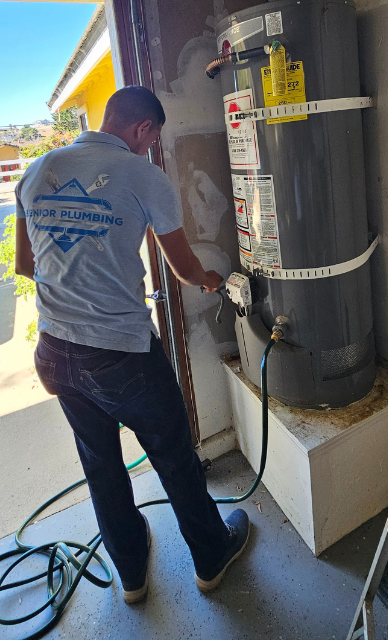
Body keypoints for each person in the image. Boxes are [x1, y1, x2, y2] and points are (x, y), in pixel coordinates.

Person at [14, 86, 251, 603]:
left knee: (100, 465)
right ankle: (211, 557)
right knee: (174, 457)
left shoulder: (37, 171)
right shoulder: (144, 176)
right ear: (143, 128)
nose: (151, 148)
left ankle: (132, 576)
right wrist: (214, 279)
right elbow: (185, 270)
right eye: (153, 138)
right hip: (121, 353)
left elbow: (27, 265)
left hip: (56, 350)